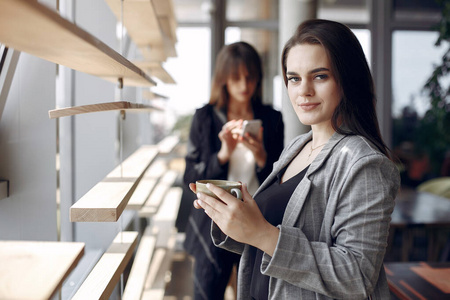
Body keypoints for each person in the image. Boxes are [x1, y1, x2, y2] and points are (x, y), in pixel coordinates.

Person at [190, 19, 400, 299]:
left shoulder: (365, 164)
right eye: (294, 78)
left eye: (320, 76)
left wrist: (261, 233)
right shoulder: (298, 147)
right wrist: (234, 218)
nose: (304, 91)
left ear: (348, 79)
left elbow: (357, 277)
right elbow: (268, 241)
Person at [182, 41, 284, 300]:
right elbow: (190, 178)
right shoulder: (205, 117)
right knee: (207, 293)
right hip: (211, 221)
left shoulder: (271, 119)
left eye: (250, 77)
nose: (244, 84)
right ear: (224, 78)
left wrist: (262, 156)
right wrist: (223, 154)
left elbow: (281, 180)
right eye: (236, 77)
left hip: (256, 219)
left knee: (254, 294)